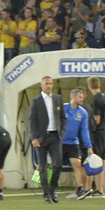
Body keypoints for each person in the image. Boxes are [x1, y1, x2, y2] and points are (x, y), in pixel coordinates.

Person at [26, 75, 64, 203]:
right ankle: (46, 193)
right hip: (41, 137)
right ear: (41, 85)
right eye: (46, 83)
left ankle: (52, 189)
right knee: (42, 166)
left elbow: (63, 117)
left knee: (58, 164)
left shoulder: (58, 99)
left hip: (55, 136)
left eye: (50, 83)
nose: (49, 86)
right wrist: (34, 137)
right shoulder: (36, 101)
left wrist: (61, 132)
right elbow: (32, 120)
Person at [62, 88, 96, 199]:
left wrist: (89, 146)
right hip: (58, 142)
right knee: (51, 166)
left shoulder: (83, 112)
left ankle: (80, 189)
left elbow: (84, 130)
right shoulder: (62, 108)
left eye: (83, 97)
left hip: (73, 142)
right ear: (73, 97)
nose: (82, 99)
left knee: (77, 164)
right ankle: (43, 184)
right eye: (80, 97)